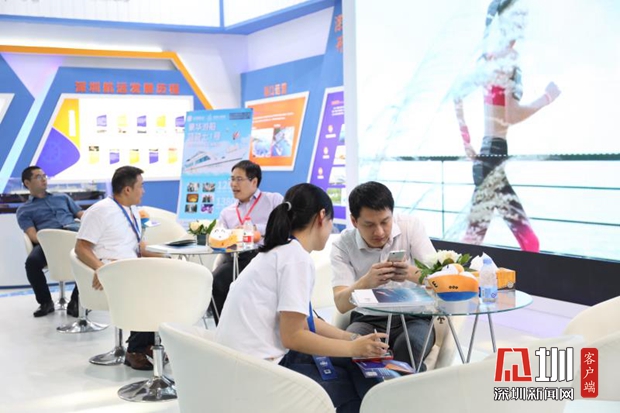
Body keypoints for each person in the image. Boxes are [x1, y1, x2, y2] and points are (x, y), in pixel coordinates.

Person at [216, 183, 387, 413]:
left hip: (239, 366)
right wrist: (354, 348)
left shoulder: (279, 252)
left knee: (354, 364)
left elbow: (303, 320)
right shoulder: (296, 259)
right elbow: (293, 336)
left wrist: (351, 338)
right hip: (260, 375)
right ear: (321, 216)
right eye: (331, 222)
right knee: (352, 382)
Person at [453, 0, 561, 252]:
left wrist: (467, 142)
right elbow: (512, 115)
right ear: (504, 22)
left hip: (486, 159)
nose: (523, 24)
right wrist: (546, 98)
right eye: (518, 17)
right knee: (529, 242)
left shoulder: (489, 59)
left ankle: (450, 273)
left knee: (472, 240)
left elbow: (457, 95)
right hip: (492, 159)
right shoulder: (509, 59)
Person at [331, 181, 437, 371]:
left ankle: (405, 387)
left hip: (415, 318)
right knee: (351, 353)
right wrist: (366, 282)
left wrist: (410, 274)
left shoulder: (411, 227)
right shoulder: (343, 245)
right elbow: (341, 303)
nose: (379, 232)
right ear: (354, 221)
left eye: (385, 222)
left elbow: (440, 280)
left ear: (392, 215)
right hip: (367, 318)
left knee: (409, 347)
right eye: (369, 224)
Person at [75, 166, 164, 371]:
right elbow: (81, 247)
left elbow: (137, 246)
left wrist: (167, 256)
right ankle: (135, 350)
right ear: (127, 189)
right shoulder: (100, 211)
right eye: (141, 186)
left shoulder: (133, 210)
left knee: (164, 280)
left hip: (132, 267)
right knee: (148, 288)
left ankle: (148, 345)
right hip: (113, 270)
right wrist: (101, 269)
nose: (143, 191)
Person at [209, 160, 283, 323]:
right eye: (232, 179)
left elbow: (284, 225)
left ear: (254, 181)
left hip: (265, 255)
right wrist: (231, 235)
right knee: (215, 281)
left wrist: (255, 229)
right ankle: (223, 327)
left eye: (239, 179)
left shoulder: (273, 200)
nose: (233, 184)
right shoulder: (227, 213)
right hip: (236, 258)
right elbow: (219, 238)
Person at [16, 166, 84, 318]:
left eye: (44, 176)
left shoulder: (63, 198)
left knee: (94, 254)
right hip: (49, 244)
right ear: (27, 183)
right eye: (38, 177)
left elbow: (82, 215)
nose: (44, 179)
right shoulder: (24, 210)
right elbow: (33, 236)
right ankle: (45, 302)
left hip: (74, 237)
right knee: (32, 263)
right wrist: (53, 239)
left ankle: (76, 301)